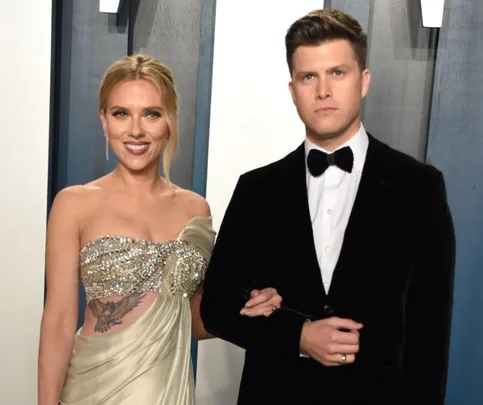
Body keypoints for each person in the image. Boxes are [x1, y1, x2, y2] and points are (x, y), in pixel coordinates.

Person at [200, 8, 455, 405]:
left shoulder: (419, 187)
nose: (323, 90)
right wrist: (297, 336)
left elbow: (430, 337)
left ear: (364, 81)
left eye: (338, 72)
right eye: (308, 76)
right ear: (292, 90)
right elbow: (216, 306)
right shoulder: (256, 189)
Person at [38, 53, 283, 405]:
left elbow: (197, 321)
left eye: (151, 113)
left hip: (170, 391)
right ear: (104, 121)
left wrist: (249, 307)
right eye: (121, 113)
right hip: (93, 390)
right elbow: (59, 320)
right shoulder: (74, 204)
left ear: (169, 120)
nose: (135, 130)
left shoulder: (195, 209)